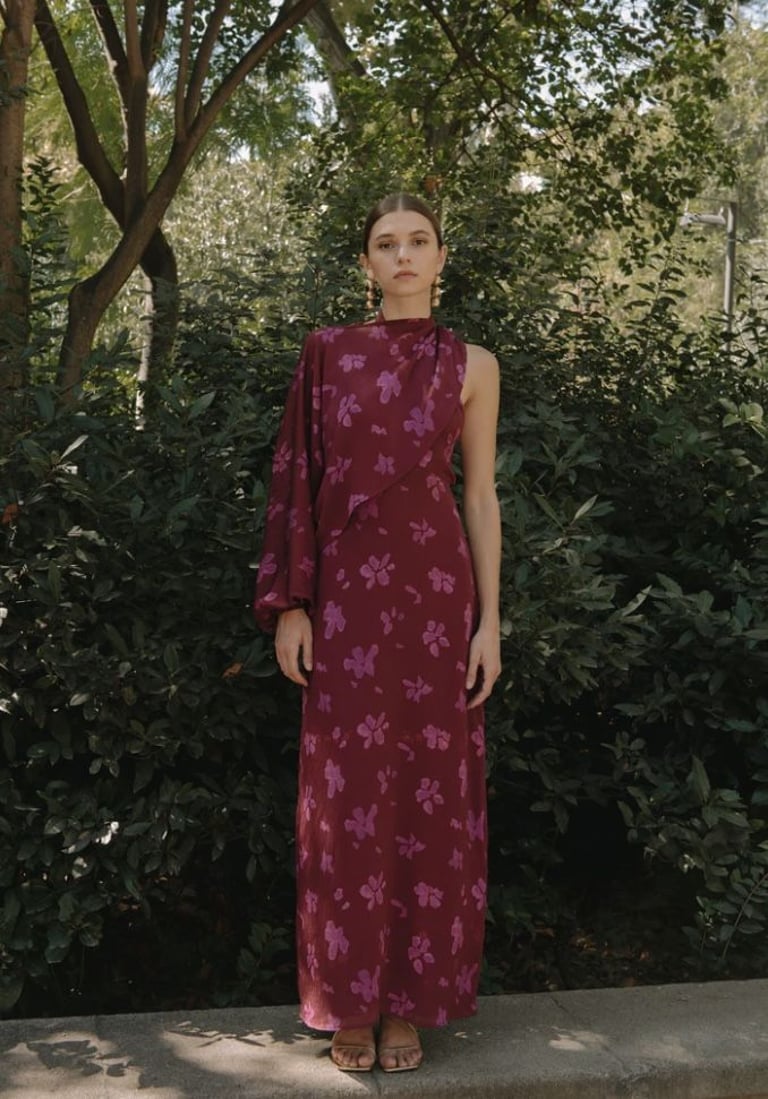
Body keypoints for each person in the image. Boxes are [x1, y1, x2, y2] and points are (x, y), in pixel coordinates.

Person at [253, 192, 501, 1073]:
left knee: (431, 796)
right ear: (365, 263)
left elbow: (479, 495)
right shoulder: (326, 353)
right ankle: (348, 1002)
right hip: (347, 603)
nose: (403, 255)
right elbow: (297, 476)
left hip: (437, 601)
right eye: (386, 243)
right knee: (345, 799)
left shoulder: (473, 364)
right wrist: (293, 603)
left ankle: (409, 1004)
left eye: (418, 241)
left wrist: (490, 624)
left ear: (441, 258)